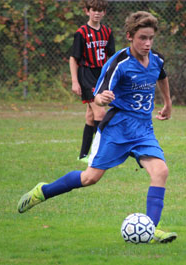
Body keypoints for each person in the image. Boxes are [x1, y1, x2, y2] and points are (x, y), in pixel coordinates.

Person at [18, 11, 177, 244]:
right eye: (143, 38)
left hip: (143, 129)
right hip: (117, 128)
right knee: (90, 178)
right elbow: (98, 94)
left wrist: (168, 102)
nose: (148, 43)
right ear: (130, 36)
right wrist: (102, 98)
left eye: (151, 38)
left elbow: (161, 76)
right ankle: (43, 191)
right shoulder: (119, 63)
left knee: (160, 171)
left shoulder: (156, 59)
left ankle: (151, 229)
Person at [69, 0, 115, 163]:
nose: (97, 13)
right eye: (94, 10)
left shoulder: (107, 32)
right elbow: (73, 59)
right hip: (86, 74)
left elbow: (112, 57)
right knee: (100, 113)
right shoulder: (81, 33)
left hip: (101, 75)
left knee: (91, 116)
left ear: (104, 13)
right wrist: (75, 81)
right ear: (87, 11)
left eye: (100, 10)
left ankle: (83, 155)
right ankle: (99, 153)